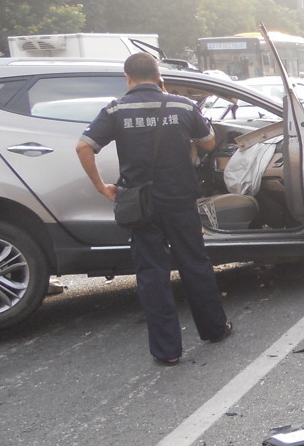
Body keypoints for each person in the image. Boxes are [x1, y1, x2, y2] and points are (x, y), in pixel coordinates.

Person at [76, 53, 232, 366]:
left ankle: (167, 351)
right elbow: (207, 142)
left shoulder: (116, 109)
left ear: (127, 77)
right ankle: (214, 329)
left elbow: (83, 146)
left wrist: (100, 186)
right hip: (179, 198)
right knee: (194, 262)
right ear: (158, 74)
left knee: (152, 273)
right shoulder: (182, 105)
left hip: (140, 203)